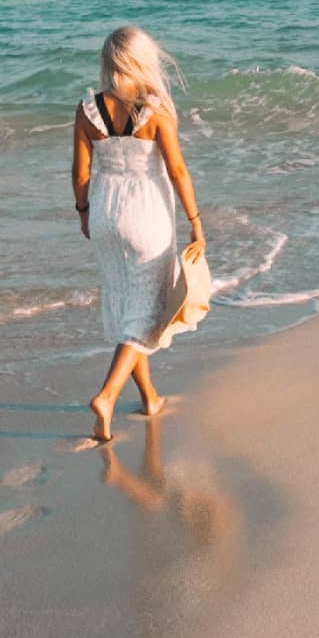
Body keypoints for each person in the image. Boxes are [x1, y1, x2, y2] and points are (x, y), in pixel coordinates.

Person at [73, 25, 205, 439]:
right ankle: (107, 395)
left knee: (126, 303)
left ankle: (149, 396)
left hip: (105, 215)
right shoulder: (155, 109)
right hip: (146, 213)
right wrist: (196, 220)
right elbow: (178, 169)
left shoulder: (87, 108)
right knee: (148, 312)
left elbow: (80, 172)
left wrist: (83, 213)